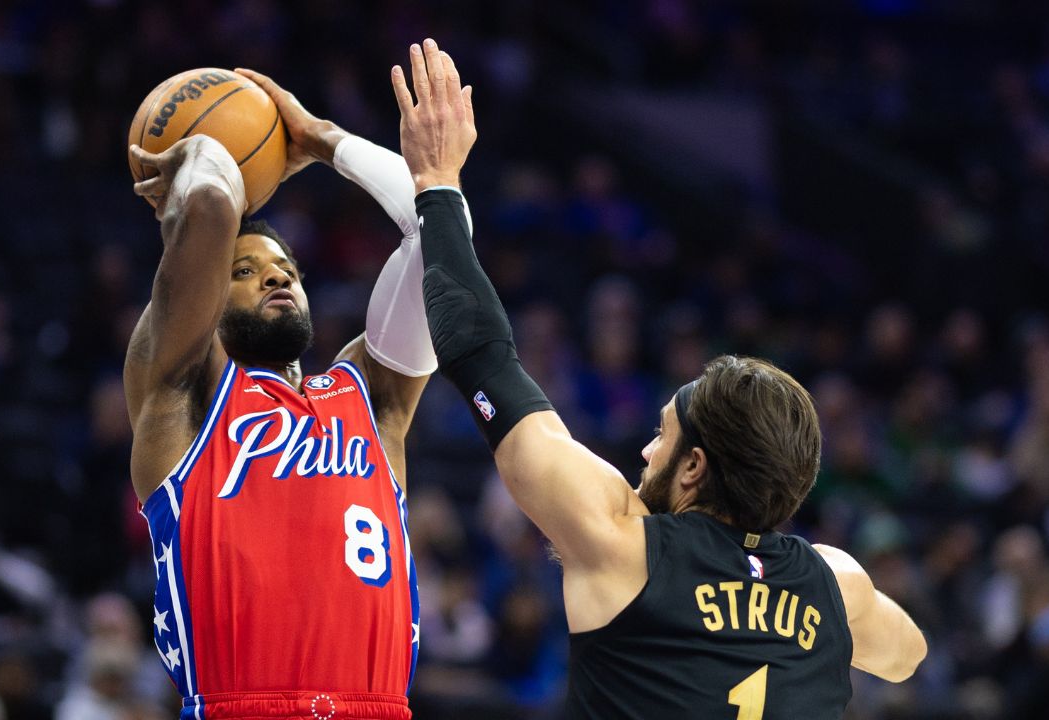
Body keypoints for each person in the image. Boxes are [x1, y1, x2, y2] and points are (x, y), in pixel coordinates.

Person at [390, 38, 928, 718]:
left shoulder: (621, 543)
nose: (646, 452)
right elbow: (908, 654)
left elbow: (480, 357)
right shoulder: (834, 584)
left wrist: (436, 182)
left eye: (662, 436)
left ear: (695, 465)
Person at [124, 69, 434, 720]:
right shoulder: (184, 390)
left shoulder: (370, 395)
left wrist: (325, 141)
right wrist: (206, 153)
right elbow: (209, 206)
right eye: (244, 270)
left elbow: (439, 235)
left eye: (286, 269)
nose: (273, 275)